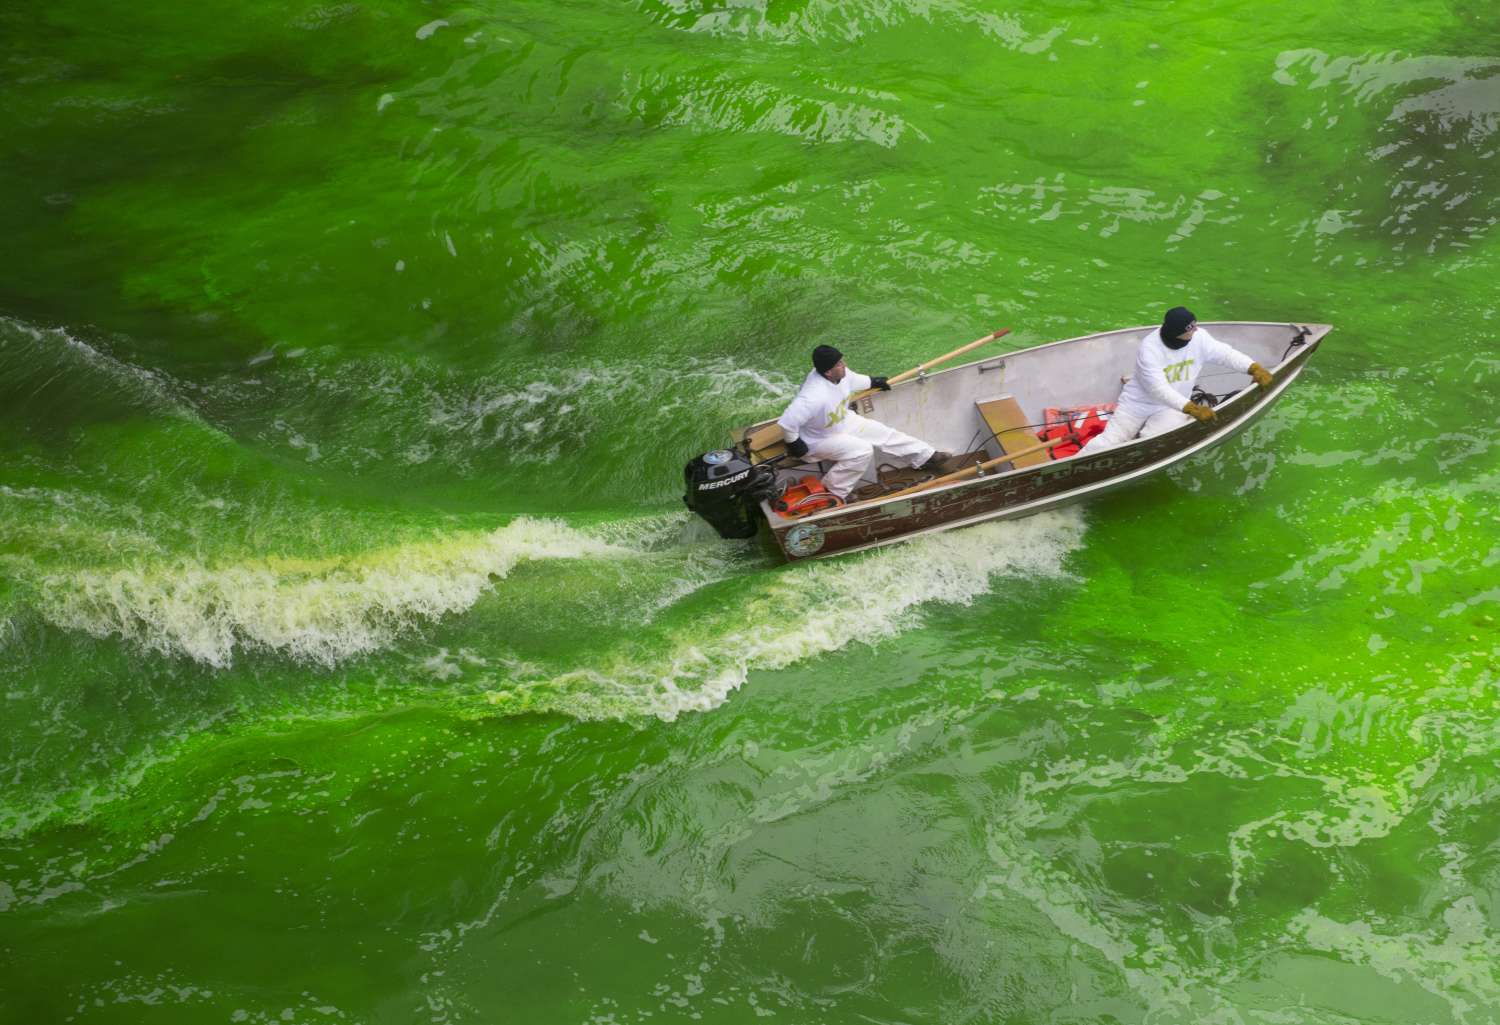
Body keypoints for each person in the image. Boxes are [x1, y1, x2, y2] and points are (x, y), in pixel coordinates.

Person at [1081, 307, 1275, 452]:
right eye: (1191, 329)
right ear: (1177, 333)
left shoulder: (1199, 337)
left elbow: (1225, 354)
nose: (1196, 331)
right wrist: (1193, 409)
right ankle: (1072, 466)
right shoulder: (1150, 348)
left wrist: (1253, 368)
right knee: (1108, 442)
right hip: (1139, 403)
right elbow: (1158, 389)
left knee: (1152, 440)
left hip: (1172, 406)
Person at [777, 345, 952, 500]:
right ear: (828, 372)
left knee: (883, 432)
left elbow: (853, 379)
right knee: (862, 451)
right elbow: (788, 422)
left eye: (842, 361)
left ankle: (926, 457)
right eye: (839, 364)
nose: (844, 365)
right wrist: (795, 444)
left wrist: (873, 381)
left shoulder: (838, 373)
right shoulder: (813, 395)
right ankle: (832, 493)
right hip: (818, 439)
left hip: (841, 421)